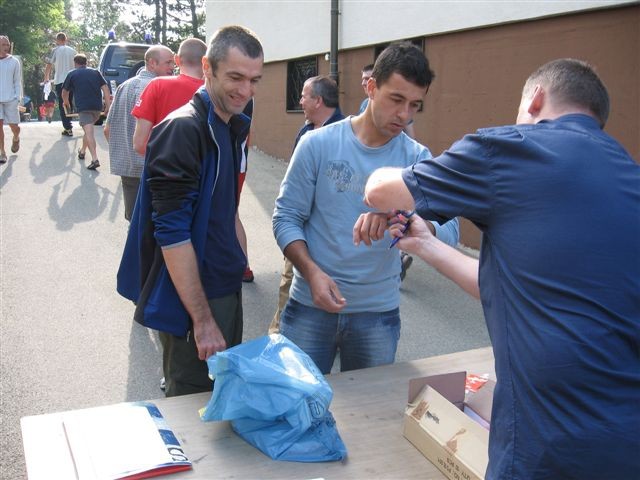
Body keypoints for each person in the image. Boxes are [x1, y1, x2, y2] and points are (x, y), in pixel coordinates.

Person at [363, 58, 639, 479]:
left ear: (536, 99)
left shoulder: (513, 149)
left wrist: (386, 172)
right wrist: (425, 244)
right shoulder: (627, 175)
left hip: (545, 443)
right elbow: (515, 288)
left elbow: (381, 192)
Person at [272, 43, 459, 374]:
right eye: (396, 99)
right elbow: (286, 217)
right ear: (371, 87)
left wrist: (406, 217)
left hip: (377, 314)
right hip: (309, 305)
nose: (405, 115)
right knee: (295, 407)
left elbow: (450, 229)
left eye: (415, 104)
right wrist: (312, 273)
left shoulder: (416, 159)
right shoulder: (317, 144)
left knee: (369, 416)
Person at [117, 25, 264, 397]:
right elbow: (172, 233)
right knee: (192, 407)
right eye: (235, 77)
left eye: (253, 80)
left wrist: (237, 262)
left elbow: (227, 212)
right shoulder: (183, 130)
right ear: (207, 68)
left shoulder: (229, 126)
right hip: (195, 299)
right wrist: (202, 321)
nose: (245, 91)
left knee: (219, 395)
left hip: (224, 287)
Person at [269, 75, 345, 334]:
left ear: (318, 100)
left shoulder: (345, 137)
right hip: (299, 229)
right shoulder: (306, 130)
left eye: (304, 96)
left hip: (327, 235)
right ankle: (280, 336)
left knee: (311, 282)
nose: (300, 101)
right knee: (289, 281)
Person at [104, 45, 175, 221]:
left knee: (134, 222)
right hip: (155, 169)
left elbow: (108, 129)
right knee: (157, 224)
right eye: (168, 63)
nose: (172, 67)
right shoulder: (161, 89)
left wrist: (124, 153)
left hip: (128, 168)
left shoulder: (123, 87)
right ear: (152, 63)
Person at [131, 38, 207, 155]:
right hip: (203, 170)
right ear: (205, 62)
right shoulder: (215, 93)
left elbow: (139, 144)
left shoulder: (157, 85)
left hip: (162, 169)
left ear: (177, 59)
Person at [61, 55, 111, 170]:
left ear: (75, 63)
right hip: (97, 108)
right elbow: (105, 89)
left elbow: (64, 92)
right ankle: (82, 151)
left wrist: (66, 103)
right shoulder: (96, 72)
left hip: (83, 107)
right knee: (87, 131)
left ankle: (94, 159)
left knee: (89, 133)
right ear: (86, 62)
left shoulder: (72, 74)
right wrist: (107, 106)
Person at [44, 32, 77, 136]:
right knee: (69, 102)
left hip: (60, 80)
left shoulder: (55, 50)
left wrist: (46, 78)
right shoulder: (73, 51)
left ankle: (67, 127)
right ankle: (69, 123)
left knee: (63, 103)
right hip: (71, 80)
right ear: (65, 40)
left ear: (57, 40)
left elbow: (49, 64)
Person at [0, 35, 21, 164]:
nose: (6, 47)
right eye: (3, 45)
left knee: (14, 127)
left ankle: (16, 137)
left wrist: (17, 98)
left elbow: (17, 81)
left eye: (7, 44)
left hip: (10, 99)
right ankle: (2, 152)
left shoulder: (14, 61)